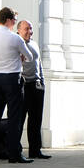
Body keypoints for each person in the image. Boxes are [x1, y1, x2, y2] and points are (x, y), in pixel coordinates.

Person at [0, 6, 32, 164]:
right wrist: (20, 56)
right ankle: (14, 154)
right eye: (15, 20)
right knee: (14, 117)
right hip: (12, 78)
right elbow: (30, 56)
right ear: (9, 20)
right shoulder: (15, 38)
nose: (15, 23)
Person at [18, 19, 49, 159]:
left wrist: (42, 81)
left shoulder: (34, 44)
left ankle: (35, 150)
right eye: (26, 29)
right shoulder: (17, 44)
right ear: (18, 30)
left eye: (30, 28)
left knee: (36, 120)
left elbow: (39, 64)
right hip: (24, 84)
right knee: (20, 119)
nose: (29, 31)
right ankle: (16, 150)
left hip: (37, 85)